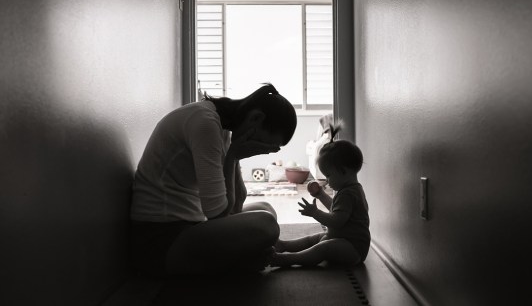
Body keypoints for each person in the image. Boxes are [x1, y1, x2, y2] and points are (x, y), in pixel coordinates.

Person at [130, 83, 297, 277]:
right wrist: (233, 155)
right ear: (256, 118)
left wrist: (235, 157)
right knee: (265, 224)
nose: (260, 147)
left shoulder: (223, 129)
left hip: (191, 224)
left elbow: (234, 207)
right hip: (160, 242)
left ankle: (240, 261)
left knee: (266, 208)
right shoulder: (205, 124)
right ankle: (238, 262)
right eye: (263, 142)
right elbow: (219, 215)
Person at [271, 123, 370, 267]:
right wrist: (321, 194)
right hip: (342, 240)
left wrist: (315, 213)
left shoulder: (349, 193)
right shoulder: (349, 189)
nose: (327, 180)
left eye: (328, 175)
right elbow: (336, 210)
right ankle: (284, 245)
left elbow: (336, 221)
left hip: (353, 249)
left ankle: (289, 259)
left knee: (324, 247)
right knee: (315, 238)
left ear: (344, 171)